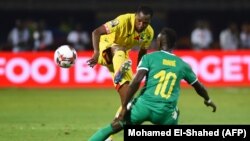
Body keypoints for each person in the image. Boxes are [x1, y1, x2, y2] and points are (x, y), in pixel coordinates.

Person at [88, 27, 217, 141]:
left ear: (159, 42)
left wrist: (124, 108)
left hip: (143, 107)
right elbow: (198, 86)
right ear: (174, 44)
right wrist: (208, 99)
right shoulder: (182, 64)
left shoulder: (149, 58)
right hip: (165, 113)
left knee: (112, 127)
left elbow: (136, 82)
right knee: (176, 113)